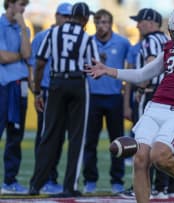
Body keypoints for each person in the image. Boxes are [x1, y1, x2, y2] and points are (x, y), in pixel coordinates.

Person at [85, 4, 174, 203]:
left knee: (159, 156)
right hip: (155, 106)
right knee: (140, 159)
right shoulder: (170, 47)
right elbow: (143, 73)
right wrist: (110, 70)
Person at [29, 2, 100, 197]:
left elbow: (41, 62)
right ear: (85, 19)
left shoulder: (53, 33)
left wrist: (37, 92)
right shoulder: (86, 37)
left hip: (56, 83)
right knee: (77, 137)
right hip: (78, 84)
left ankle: (36, 184)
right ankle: (70, 186)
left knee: (49, 134)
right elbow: (95, 69)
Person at [125, 8, 174, 199]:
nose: (137, 25)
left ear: (150, 22)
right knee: (167, 140)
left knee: (144, 140)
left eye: (140, 21)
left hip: (151, 94)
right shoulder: (168, 40)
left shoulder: (149, 41)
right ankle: (169, 187)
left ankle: (149, 186)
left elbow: (149, 66)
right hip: (170, 95)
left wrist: (140, 88)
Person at [82, 9, 131, 194]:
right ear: (94, 24)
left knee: (118, 141)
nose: (102, 26)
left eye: (105, 22)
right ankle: (89, 180)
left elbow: (132, 65)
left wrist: (127, 93)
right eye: (99, 22)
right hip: (92, 96)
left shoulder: (123, 42)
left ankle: (117, 180)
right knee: (90, 142)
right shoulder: (87, 42)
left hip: (114, 97)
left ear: (110, 23)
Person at [28, 2, 72, 195]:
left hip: (63, 92)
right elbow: (34, 64)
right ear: (56, 16)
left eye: (70, 17)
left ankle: (50, 177)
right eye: (64, 16)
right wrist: (36, 90)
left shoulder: (72, 38)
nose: (67, 20)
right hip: (47, 91)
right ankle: (41, 179)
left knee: (59, 136)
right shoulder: (42, 36)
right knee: (46, 136)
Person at [0, 0, 31, 195]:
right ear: (9, 4)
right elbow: (2, 57)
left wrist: (22, 28)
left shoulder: (23, 28)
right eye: (20, 5)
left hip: (21, 86)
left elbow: (27, 54)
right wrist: (19, 54)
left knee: (15, 136)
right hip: (3, 86)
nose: (23, 9)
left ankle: (10, 181)